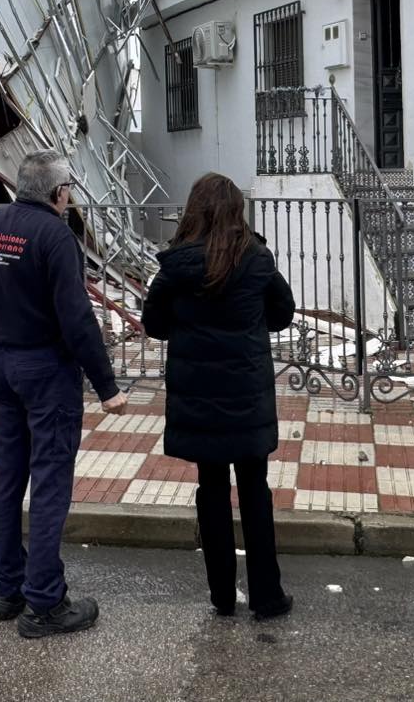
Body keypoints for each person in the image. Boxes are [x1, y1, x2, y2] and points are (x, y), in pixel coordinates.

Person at [0, 150, 128, 639]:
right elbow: (76, 318)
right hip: (46, 371)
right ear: (58, 192)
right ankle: (44, 602)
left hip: (1, 366)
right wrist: (107, 386)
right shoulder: (55, 237)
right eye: (68, 189)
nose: (69, 197)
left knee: (7, 476)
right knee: (49, 482)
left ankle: (9, 589)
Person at [141, 173, 296, 622]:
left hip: (200, 399)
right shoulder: (257, 259)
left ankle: (222, 596)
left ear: (194, 212)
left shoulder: (175, 267)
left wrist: (188, 328)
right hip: (247, 396)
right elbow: (282, 314)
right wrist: (248, 323)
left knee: (210, 489)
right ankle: (267, 596)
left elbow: (153, 324)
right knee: (254, 489)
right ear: (236, 213)